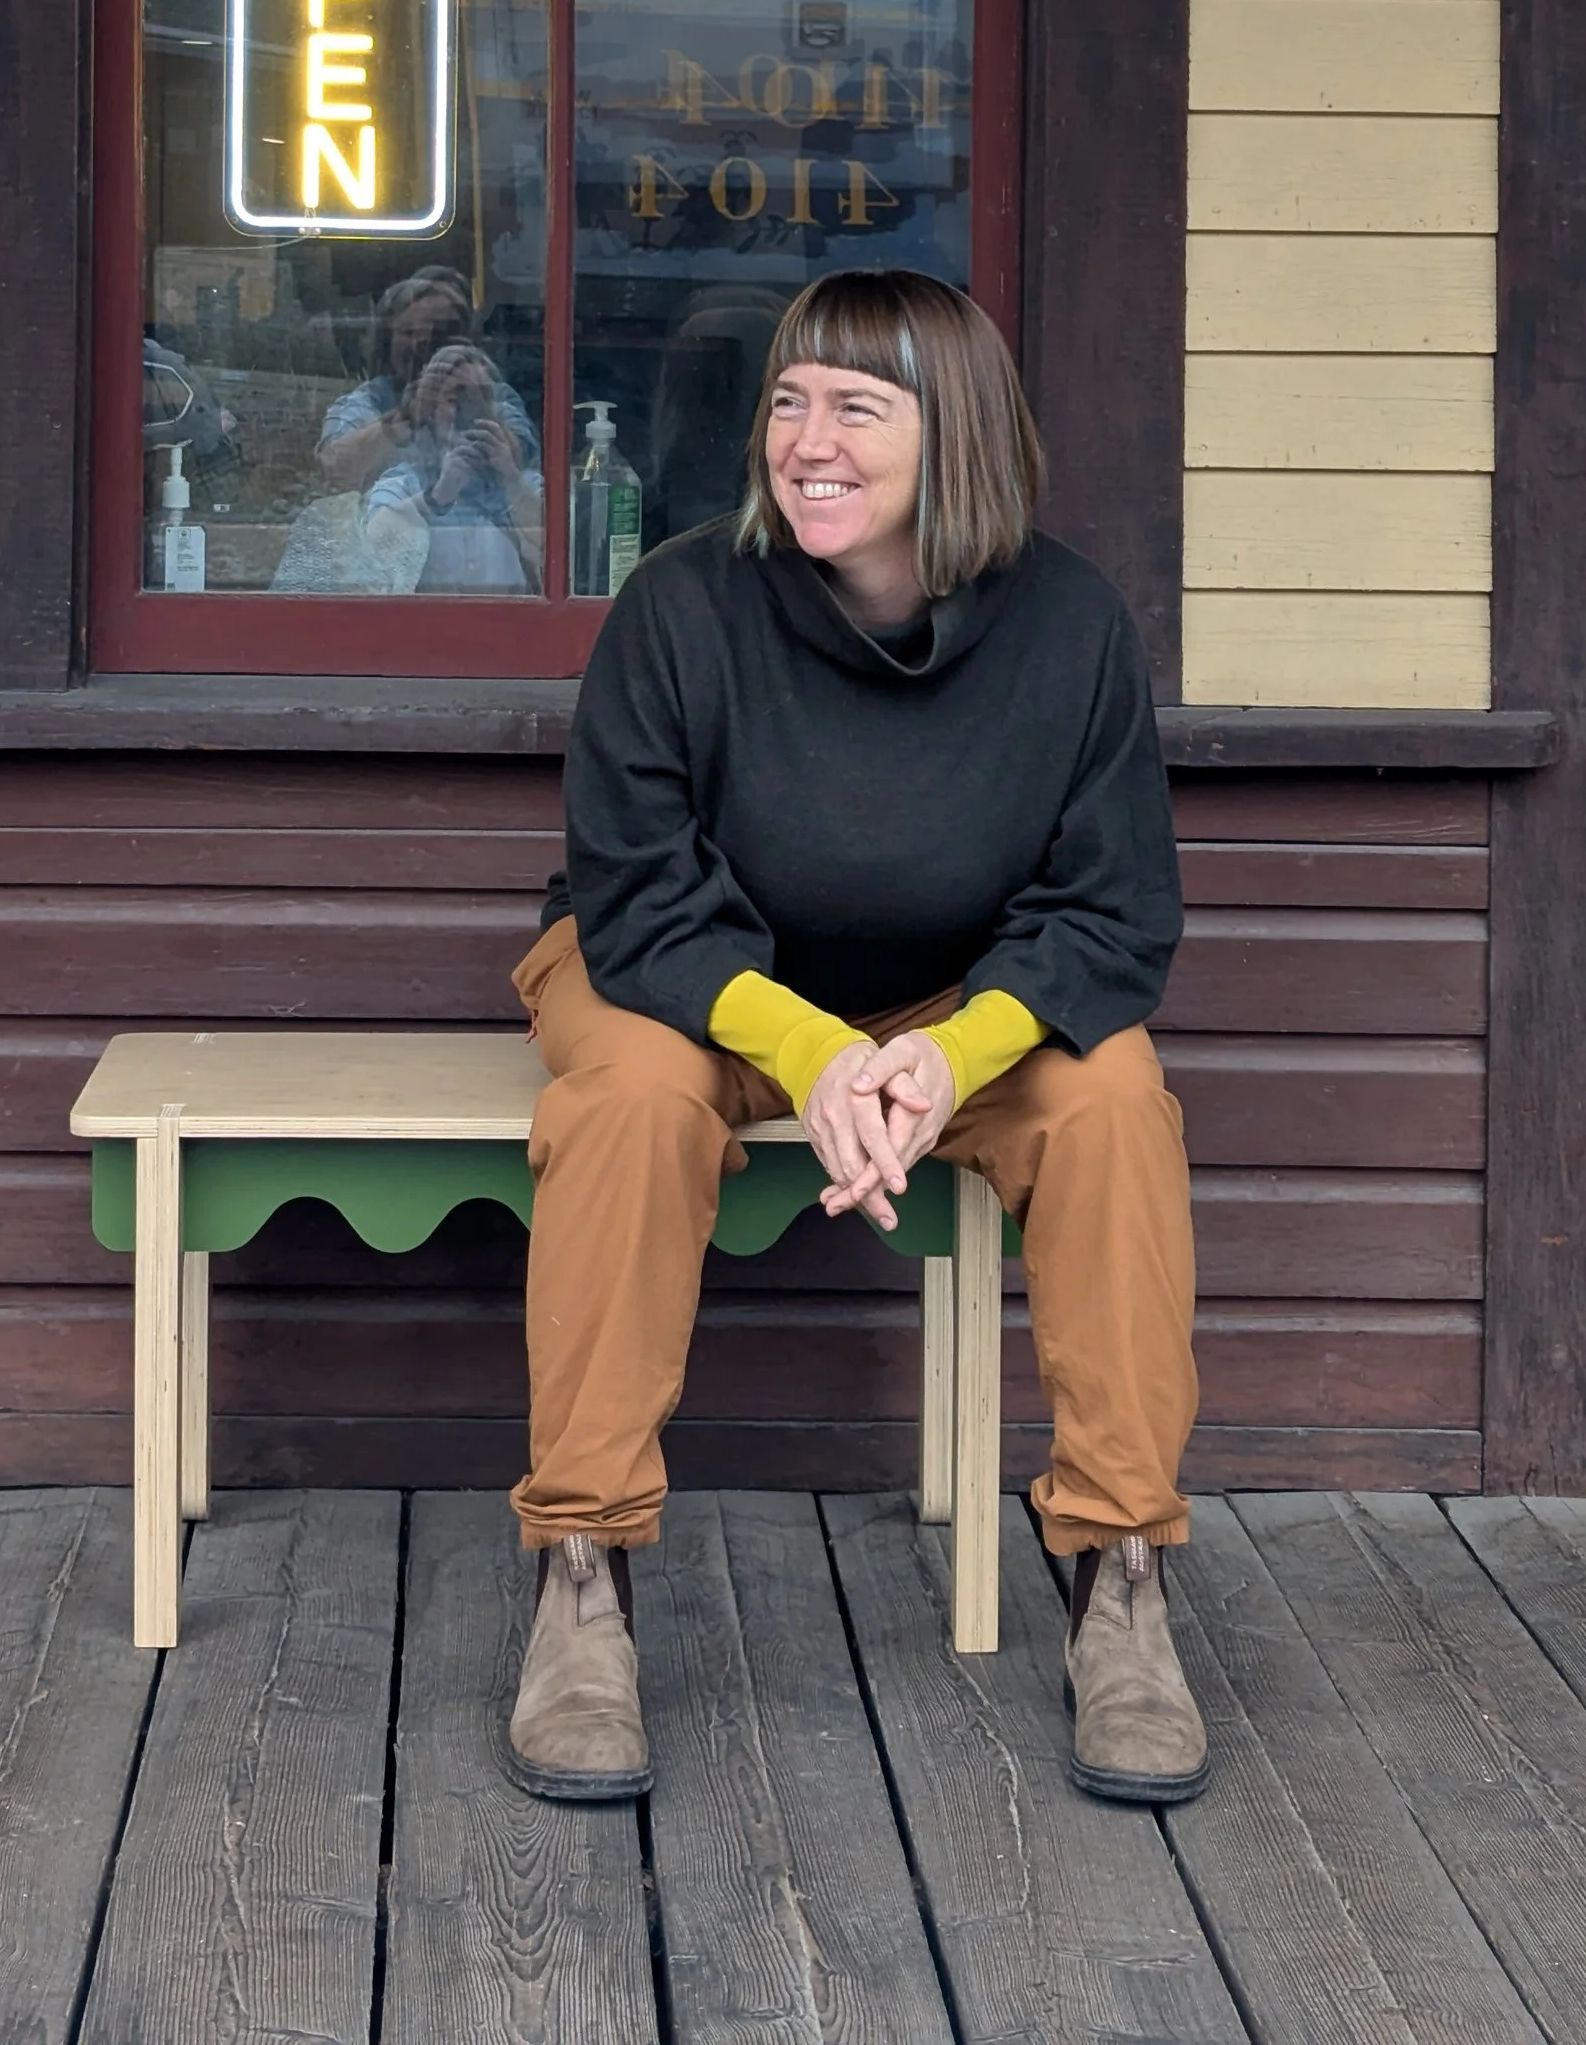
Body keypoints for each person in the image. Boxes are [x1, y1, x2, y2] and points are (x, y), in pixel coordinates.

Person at [505, 269, 1205, 1806]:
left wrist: (943, 1059)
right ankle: (582, 1568)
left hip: (948, 1012)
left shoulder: (1072, 626)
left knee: (1112, 1103)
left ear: (950, 438)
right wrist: (813, 1053)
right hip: (683, 991)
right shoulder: (680, 605)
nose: (806, 441)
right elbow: (636, 893)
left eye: (856, 408)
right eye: (787, 401)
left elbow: (1111, 910)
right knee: (627, 1100)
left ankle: (1123, 1574)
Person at [315, 267, 543, 592]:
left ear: (465, 340)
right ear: (386, 339)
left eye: (437, 334)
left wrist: (476, 401)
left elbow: (524, 460)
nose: (422, 343)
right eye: (408, 332)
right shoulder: (370, 403)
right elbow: (334, 473)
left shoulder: (494, 394)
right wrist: (404, 418)